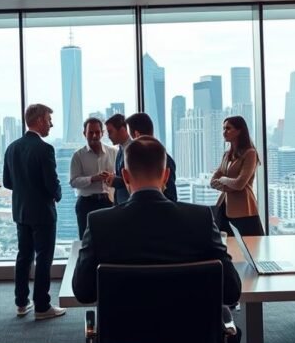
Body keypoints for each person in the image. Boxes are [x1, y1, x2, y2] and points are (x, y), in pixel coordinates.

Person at [73, 135, 241, 306]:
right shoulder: (201, 219)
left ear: (125, 176)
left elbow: (83, 292)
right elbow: (231, 291)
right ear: (166, 175)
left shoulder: (99, 223)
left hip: (123, 331)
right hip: (190, 331)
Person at [2, 103, 67, 321]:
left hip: (21, 211)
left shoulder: (11, 147)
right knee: (44, 258)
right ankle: (42, 306)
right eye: (49, 119)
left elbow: (7, 182)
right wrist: (58, 194)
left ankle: (21, 303)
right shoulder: (44, 149)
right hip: (42, 212)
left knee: (24, 256)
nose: (51, 124)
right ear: (39, 121)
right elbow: (51, 183)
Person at [210, 116, 264, 236]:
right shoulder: (226, 155)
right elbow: (213, 181)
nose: (224, 132)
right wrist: (228, 186)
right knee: (225, 247)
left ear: (239, 131)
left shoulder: (250, 153)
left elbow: (240, 183)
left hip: (244, 209)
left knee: (252, 247)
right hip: (224, 207)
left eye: (228, 128)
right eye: (223, 128)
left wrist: (223, 179)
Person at [107, 113, 177, 203]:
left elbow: (171, 196)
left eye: (128, 133)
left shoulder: (163, 159)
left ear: (136, 134)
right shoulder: (128, 154)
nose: (127, 138)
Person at [70, 117, 116, 239]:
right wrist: (93, 178)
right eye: (91, 132)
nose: (94, 136)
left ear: (102, 133)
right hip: (86, 203)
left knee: (110, 239)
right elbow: (73, 182)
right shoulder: (78, 155)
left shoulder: (113, 152)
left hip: (108, 202)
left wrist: (111, 177)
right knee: (86, 240)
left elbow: (121, 175)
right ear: (84, 133)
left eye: (97, 132)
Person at [104, 114, 133, 204]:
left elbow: (136, 179)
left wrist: (116, 180)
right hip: (121, 203)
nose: (108, 136)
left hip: (130, 203)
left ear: (122, 130)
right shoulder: (120, 149)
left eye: (110, 132)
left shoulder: (134, 150)